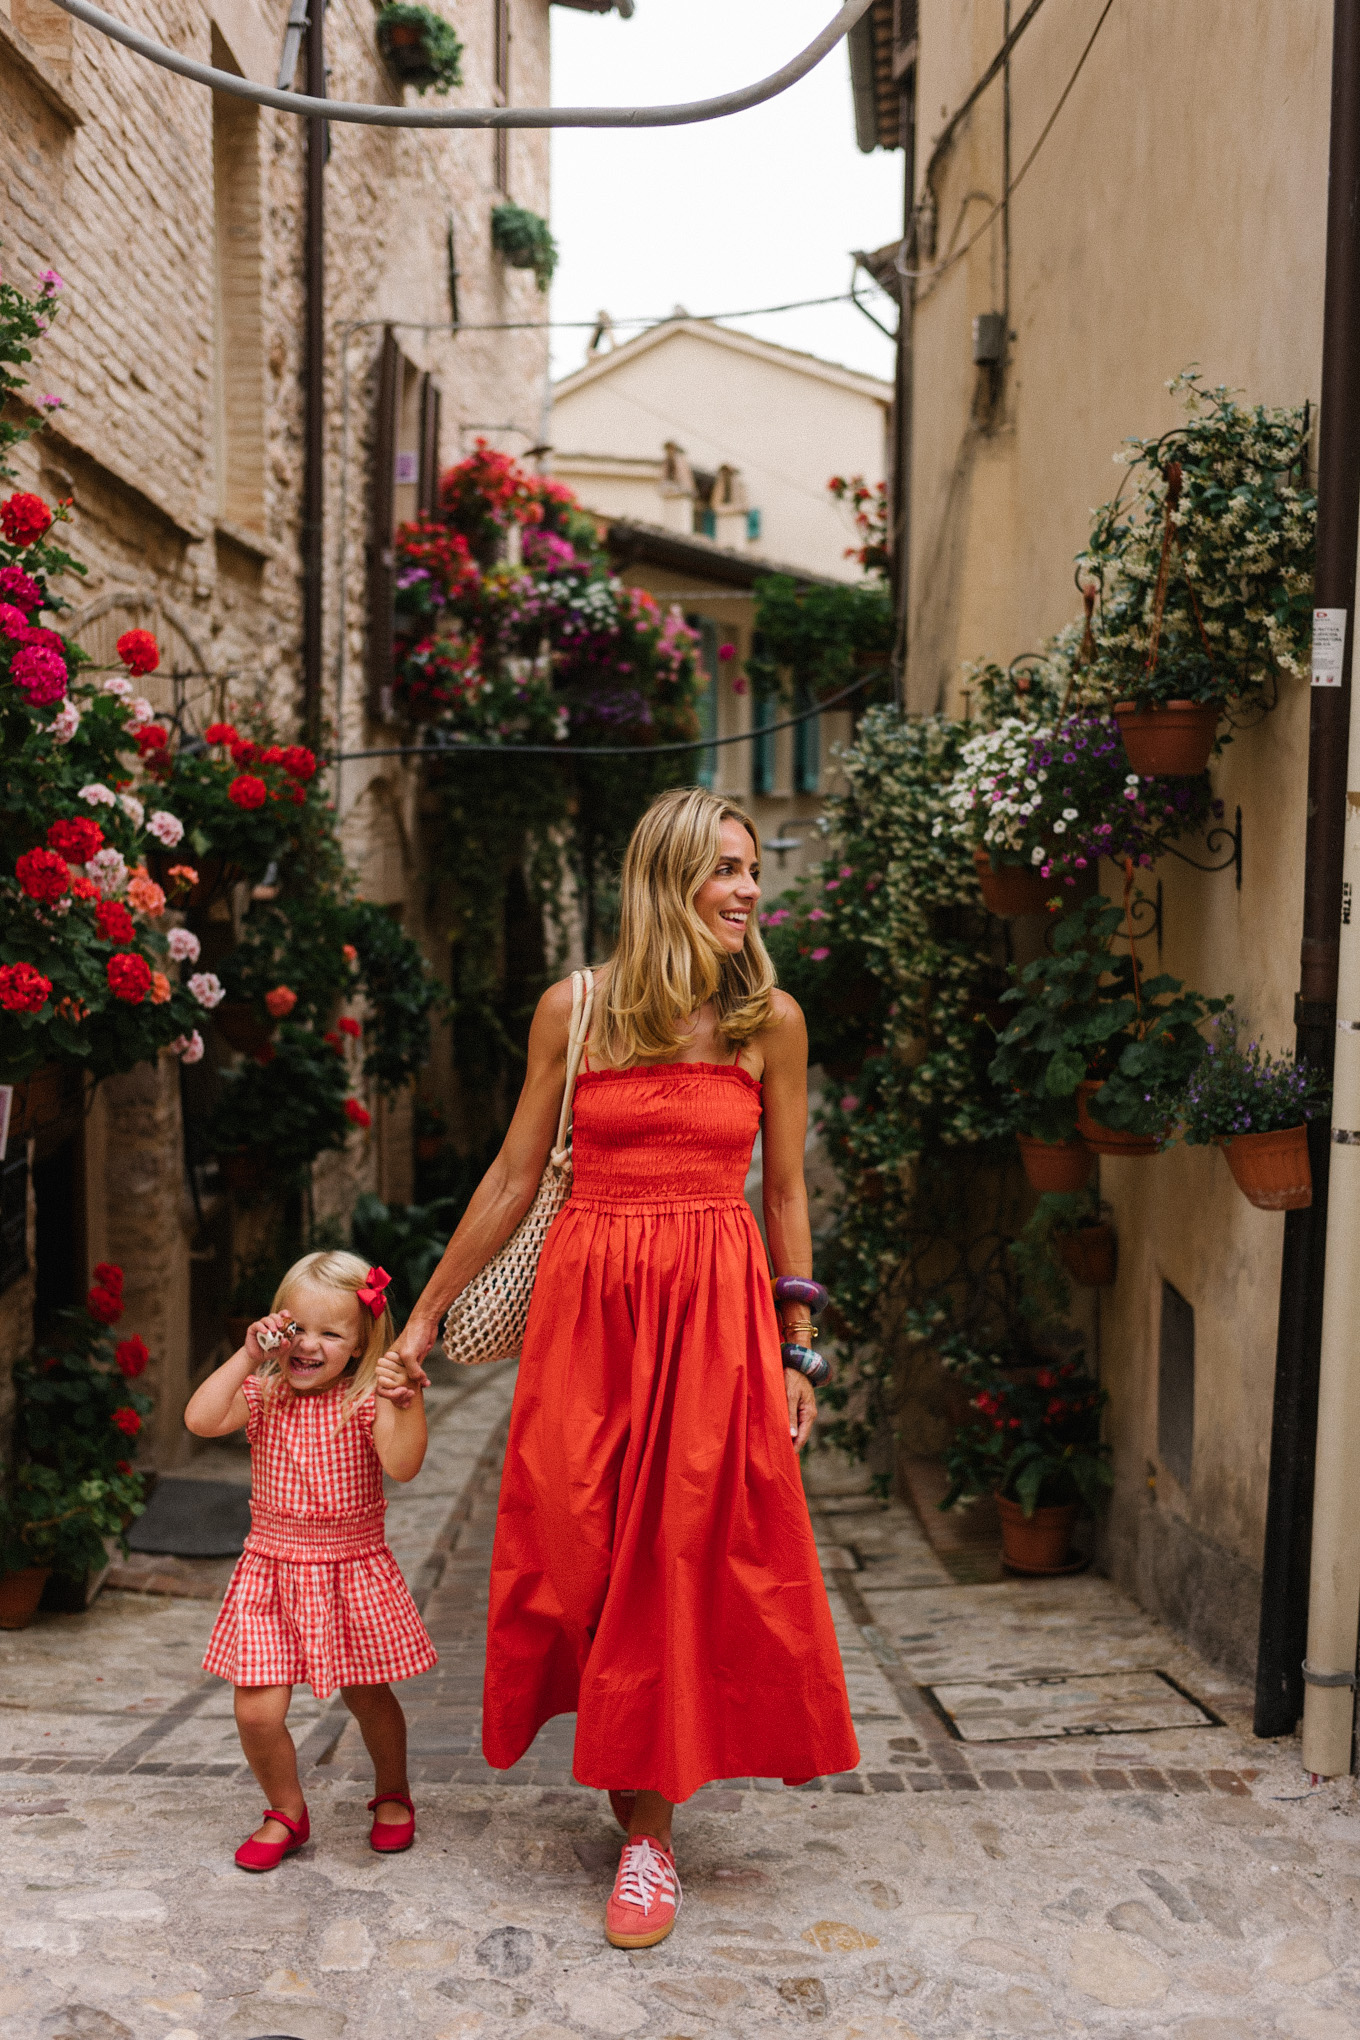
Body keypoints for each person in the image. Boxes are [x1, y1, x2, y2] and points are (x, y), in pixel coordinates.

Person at [384, 786, 859, 1948]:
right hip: (588, 1315)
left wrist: (800, 1348)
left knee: (679, 1558)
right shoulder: (578, 1010)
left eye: (753, 871)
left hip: (715, 1316)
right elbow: (507, 1177)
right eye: (727, 870)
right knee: (575, 1546)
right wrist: (423, 1319)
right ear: (667, 880)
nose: (750, 890)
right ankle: (627, 1766)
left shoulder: (769, 1022)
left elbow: (787, 1192)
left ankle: (648, 1834)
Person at [186, 1249, 435, 1871]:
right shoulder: (263, 1392)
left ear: (360, 1344)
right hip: (271, 1569)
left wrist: (405, 1401)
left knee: (369, 1697)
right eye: (298, 1327)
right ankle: (286, 1810)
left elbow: (403, 1465)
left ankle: (392, 1793)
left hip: (349, 1570)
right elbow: (199, 1418)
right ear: (277, 1327)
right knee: (256, 1708)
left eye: (332, 1332)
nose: (309, 1345)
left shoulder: (365, 1400)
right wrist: (247, 1354)